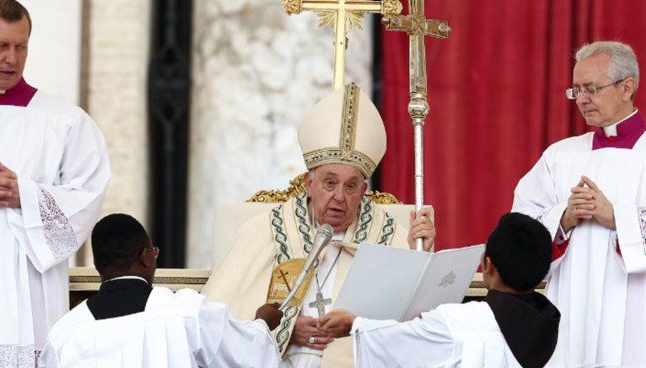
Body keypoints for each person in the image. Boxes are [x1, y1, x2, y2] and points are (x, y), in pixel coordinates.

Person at [202, 83, 436, 367]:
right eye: (329, 182)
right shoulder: (264, 232)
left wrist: (418, 258)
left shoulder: (390, 239)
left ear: (363, 192)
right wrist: (286, 329)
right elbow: (221, 322)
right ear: (308, 184)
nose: (339, 196)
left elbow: (415, 332)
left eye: (351, 186)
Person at [512, 41, 646, 366]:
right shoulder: (561, 156)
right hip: (572, 310)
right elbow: (520, 228)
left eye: (591, 89)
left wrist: (618, 218)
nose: (582, 100)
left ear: (627, 87)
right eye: (576, 91)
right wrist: (564, 218)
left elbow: (620, 220)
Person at [0, 1, 110, 365]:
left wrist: (24, 195)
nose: (12, 58)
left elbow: (88, 198)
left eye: (21, 46)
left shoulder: (65, 122)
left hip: (27, 288)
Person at [318, 213, 561, 368]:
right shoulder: (553, 325)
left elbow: (400, 341)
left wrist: (354, 324)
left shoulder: (462, 323)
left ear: (488, 265)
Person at [39, 214, 283, 367]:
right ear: (146, 257)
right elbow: (247, 355)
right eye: (153, 253)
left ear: (98, 266)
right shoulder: (186, 311)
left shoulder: (64, 334)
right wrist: (262, 322)